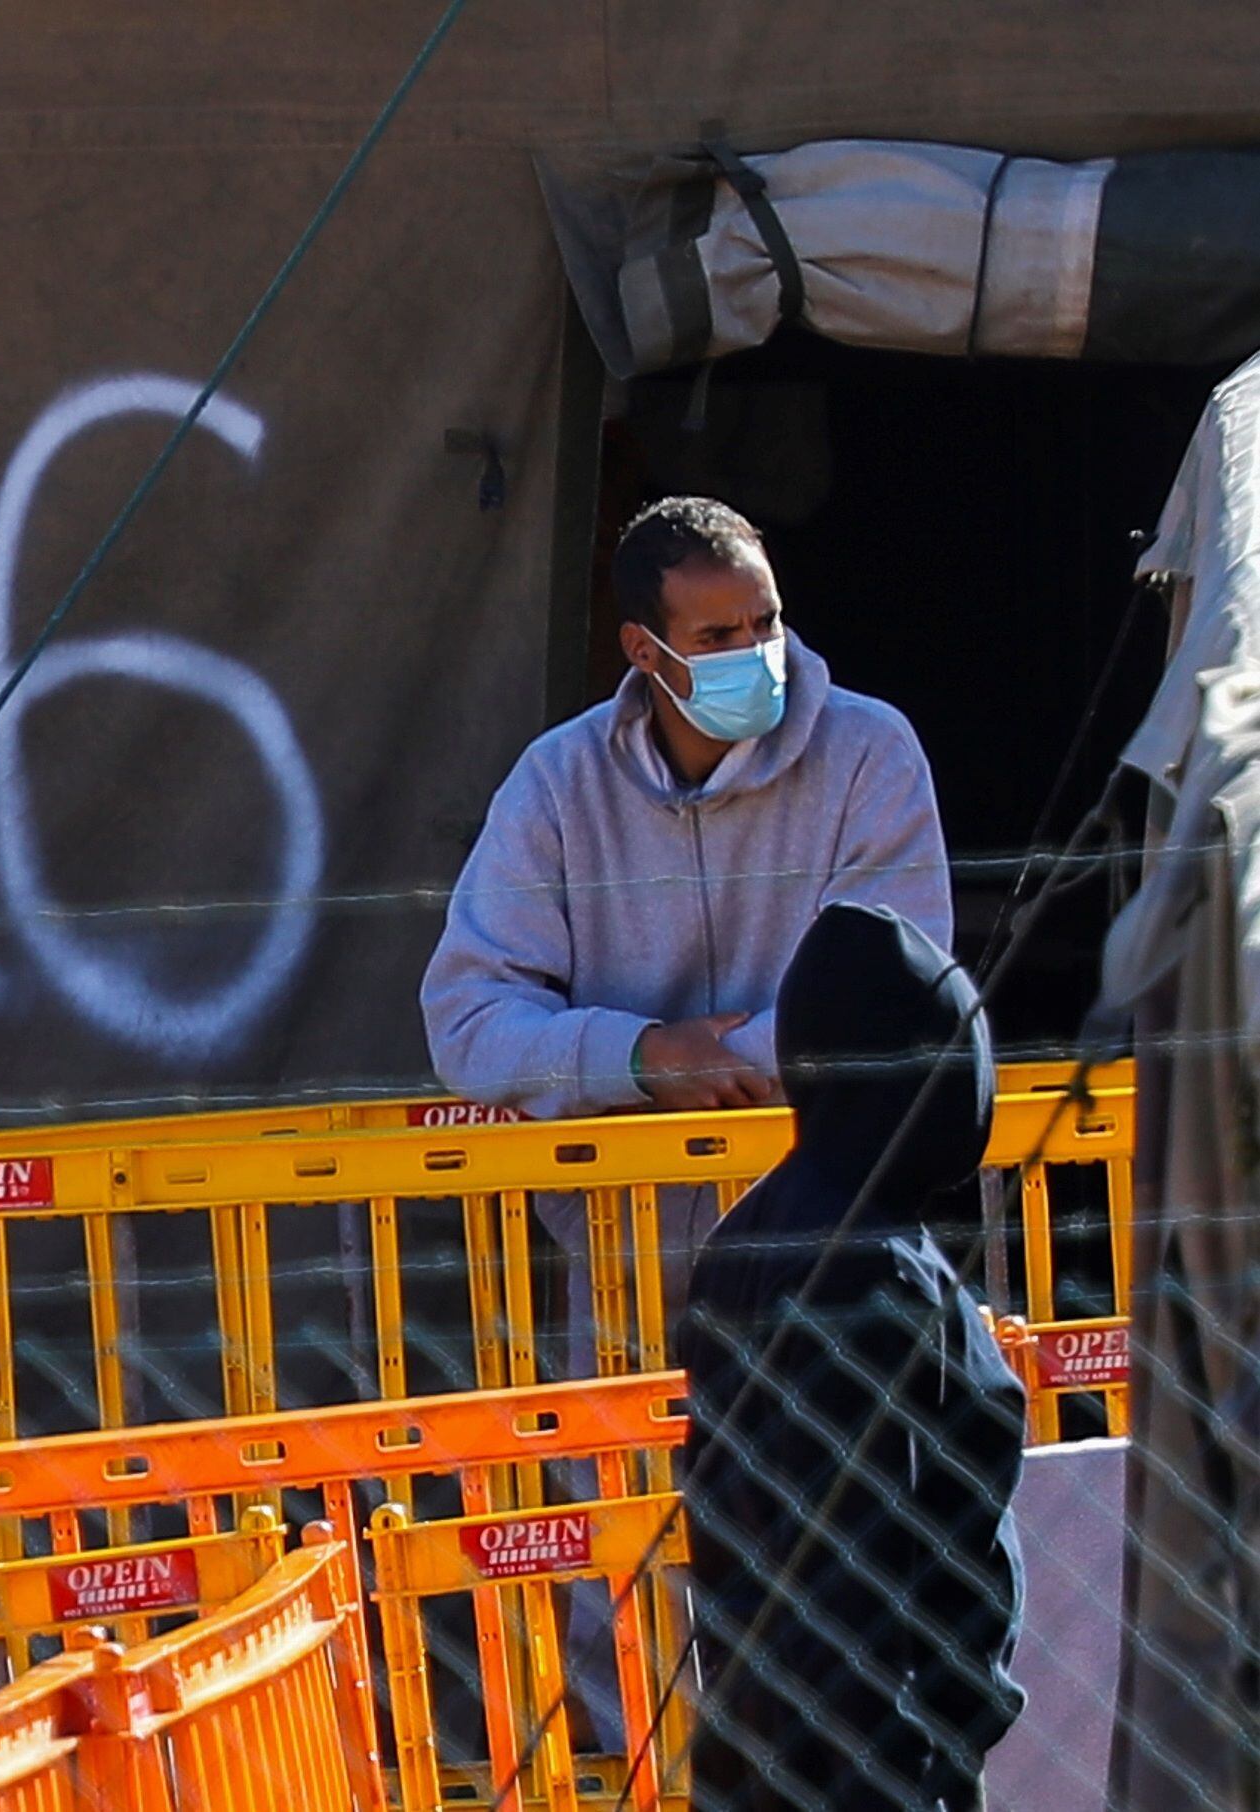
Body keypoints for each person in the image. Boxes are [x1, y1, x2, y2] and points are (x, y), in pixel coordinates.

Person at [424, 495, 950, 1319]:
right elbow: (465, 1020)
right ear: (642, 649)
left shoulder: (869, 753)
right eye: (715, 638)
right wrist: (640, 1058)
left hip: (831, 1276)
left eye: (765, 624)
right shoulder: (555, 781)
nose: (755, 653)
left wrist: (718, 1062)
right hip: (616, 1282)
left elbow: (894, 996)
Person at [677, 902, 1023, 1809]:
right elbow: (856, 1580)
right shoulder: (871, 1268)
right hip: (866, 1770)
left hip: (761, 1751)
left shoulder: (747, 1236)